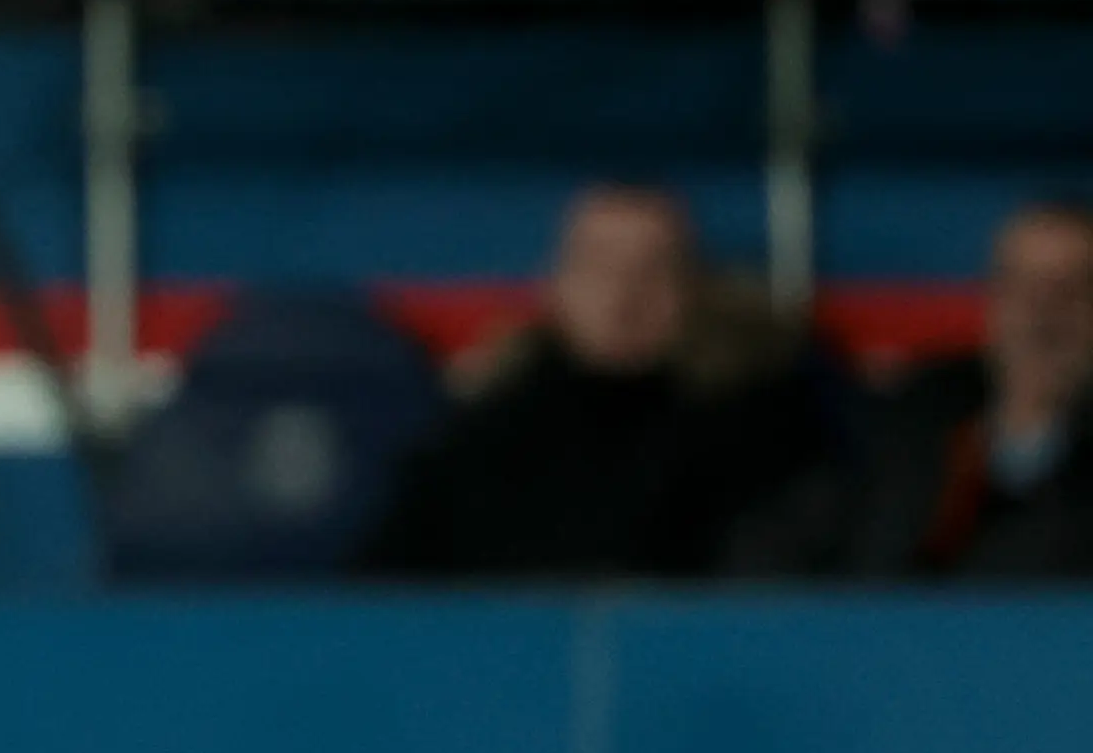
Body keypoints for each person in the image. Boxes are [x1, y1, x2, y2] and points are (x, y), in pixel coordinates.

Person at [363, 182, 834, 577]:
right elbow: (383, 591)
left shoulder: (764, 432)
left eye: (652, 269)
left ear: (693, 287)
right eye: (599, 265)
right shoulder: (486, 432)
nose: (623, 294)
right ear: (557, 284)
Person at [739, 199, 1093, 577]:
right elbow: (774, 544)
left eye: (1070, 289)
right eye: (1020, 286)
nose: (1041, 313)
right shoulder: (914, 416)